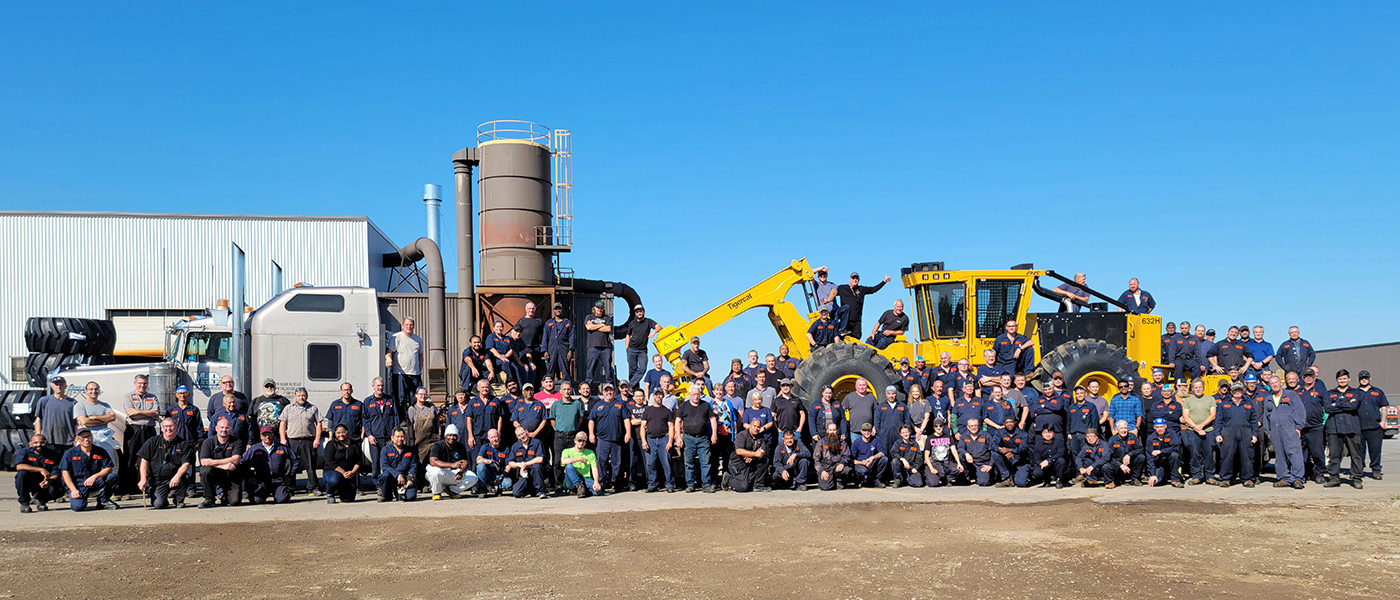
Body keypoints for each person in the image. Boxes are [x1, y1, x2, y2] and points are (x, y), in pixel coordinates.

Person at [135, 417, 194, 509]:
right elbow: (144, 461)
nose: (168, 429)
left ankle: (178, 500)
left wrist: (177, 477)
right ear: (162, 428)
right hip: (158, 480)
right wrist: (143, 479)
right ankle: (160, 497)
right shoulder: (152, 442)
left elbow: (186, 464)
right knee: (159, 505)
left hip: (175, 479)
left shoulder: (183, 444)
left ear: (176, 427)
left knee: (185, 476)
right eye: (166, 426)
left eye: (171, 426)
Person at [119, 374, 160, 496]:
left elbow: (156, 412)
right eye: (140, 383)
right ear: (135, 383)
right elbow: (131, 414)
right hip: (133, 430)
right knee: (129, 458)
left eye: (145, 383)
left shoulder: (152, 397)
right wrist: (149, 414)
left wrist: (139, 412)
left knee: (151, 458)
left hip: (149, 430)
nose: (143, 385)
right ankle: (126, 488)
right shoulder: (128, 396)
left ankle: (150, 487)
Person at [58, 428, 118, 511]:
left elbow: (109, 468)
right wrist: (73, 490)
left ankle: (103, 500)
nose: (86, 439)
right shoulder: (70, 453)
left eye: (88, 436)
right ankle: (81, 499)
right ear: (77, 439)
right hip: (78, 485)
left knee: (113, 476)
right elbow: (65, 473)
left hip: (94, 481)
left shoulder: (100, 451)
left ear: (92, 437)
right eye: (83, 437)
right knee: (78, 507)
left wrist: (95, 476)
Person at [1323, 370, 1364, 489]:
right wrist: (1346, 404)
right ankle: (1334, 478)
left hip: (1351, 427)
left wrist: (1336, 404)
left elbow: (1354, 406)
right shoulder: (1329, 393)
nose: (1342, 381)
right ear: (1337, 380)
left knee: (1355, 454)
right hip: (1334, 428)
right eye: (1340, 379)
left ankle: (1357, 478)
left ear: (1349, 379)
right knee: (1334, 455)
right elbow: (1327, 408)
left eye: (1344, 379)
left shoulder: (1356, 392)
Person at [588, 383, 631, 492]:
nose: (609, 393)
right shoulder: (598, 405)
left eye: (611, 390)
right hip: (602, 439)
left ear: (614, 392)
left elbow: (626, 419)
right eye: (606, 391)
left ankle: (616, 483)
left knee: (617, 462)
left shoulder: (620, 404)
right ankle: (602, 482)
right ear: (603, 393)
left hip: (617, 438)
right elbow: (591, 420)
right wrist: (591, 434)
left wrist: (628, 433)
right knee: (601, 461)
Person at [1266, 376, 1307, 489]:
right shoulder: (1268, 399)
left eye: (1276, 382)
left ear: (1281, 383)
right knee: (1280, 455)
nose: (1274, 384)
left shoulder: (1291, 395)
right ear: (1269, 386)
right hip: (1275, 430)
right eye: (1271, 383)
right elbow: (1266, 417)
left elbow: (1300, 411)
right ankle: (1283, 478)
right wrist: (1268, 432)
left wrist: (1298, 427)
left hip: (1290, 429)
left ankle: (1297, 478)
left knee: (1294, 454)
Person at [279, 387, 321, 496]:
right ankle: (290, 488)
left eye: (303, 395)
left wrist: (317, 438)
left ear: (306, 396)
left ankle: (313, 488)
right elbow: (282, 424)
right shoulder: (288, 408)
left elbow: (319, 424)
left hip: (308, 440)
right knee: (291, 465)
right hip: (293, 440)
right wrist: (283, 439)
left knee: (310, 465)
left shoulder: (313, 408)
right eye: (299, 395)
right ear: (295, 397)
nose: (301, 397)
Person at [675, 385, 717, 493]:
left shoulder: (706, 405)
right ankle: (690, 484)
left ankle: (706, 484)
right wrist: (678, 437)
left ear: (700, 394)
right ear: (689, 395)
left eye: (697, 394)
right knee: (689, 463)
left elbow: (712, 420)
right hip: (688, 438)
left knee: (706, 462)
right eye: (693, 394)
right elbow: (677, 421)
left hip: (703, 438)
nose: (695, 396)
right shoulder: (684, 406)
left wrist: (714, 434)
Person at [1215, 383, 1259, 488]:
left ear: (1243, 391)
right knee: (1227, 457)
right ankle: (1225, 479)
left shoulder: (1248, 403)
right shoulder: (1224, 403)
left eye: (1239, 390)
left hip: (1246, 433)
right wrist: (1218, 434)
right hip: (1228, 433)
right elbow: (1218, 420)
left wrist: (1255, 434)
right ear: (1231, 392)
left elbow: (1254, 420)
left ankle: (1248, 478)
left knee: (1247, 457)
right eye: (1235, 390)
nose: (1237, 392)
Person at [242, 425, 300, 504]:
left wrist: (290, 475)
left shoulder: (281, 448)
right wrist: (249, 477)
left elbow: (297, 459)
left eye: (269, 434)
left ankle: (283, 492)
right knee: (256, 500)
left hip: (278, 481)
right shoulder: (254, 449)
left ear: (273, 435)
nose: (267, 437)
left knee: (283, 499)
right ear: (261, 436)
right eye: (264, 435)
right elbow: (242, 462)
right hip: (261, 482)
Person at [198, 418, 246, 508]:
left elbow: (236, 459)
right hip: (214, 473)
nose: (224, 430)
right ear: (216, 428)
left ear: (230, 430)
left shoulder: (237, 442)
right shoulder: (208, 442)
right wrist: (224, 466)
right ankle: (209, 498)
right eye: (221, 427)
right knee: (205, 470)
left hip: (231, 474)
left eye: (227, 428)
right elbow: (204, 462)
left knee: (235, 502)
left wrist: (212, 462)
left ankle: (225, 496)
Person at [1179, 379, 1217, 485]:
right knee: (1194, 453)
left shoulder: (1211, 399)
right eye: (1196, 387)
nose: (1198, 389)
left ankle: (1210, 476)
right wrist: (1196, 427)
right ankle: (1196, 476)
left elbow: (1212, 415)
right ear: (1192, 389)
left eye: (1200, 387)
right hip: (1193, 431)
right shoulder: (1187, 400)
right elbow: (1186, 416)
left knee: (1209, 453)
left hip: (1208, 430)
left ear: (1203, 387)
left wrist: (1201, 426)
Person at [638, 388, 676, 493]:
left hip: (664, 439)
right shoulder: (648, 410)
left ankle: (669, 484)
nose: (658, 396)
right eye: (656, 395)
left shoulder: (667, 411)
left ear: (662, 396)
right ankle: (652, 484)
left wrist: (670, 441)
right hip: (650, 439)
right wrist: (644, 441)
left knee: (667, 463)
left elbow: (671, 427)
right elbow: (642, 426)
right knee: (650, 464)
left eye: (660, 395)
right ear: (653, 396)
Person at [423, 425, 475, 500]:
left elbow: (465, 462)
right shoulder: (437, 446)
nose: (451, 438)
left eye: (454, 435)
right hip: (440, 472)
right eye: (449, 435)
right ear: (445, 436)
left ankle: (452, 490)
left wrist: (461, 472)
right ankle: (437, 492)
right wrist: (451, 465)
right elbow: (433, 461)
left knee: (473, 477)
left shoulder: (460, 446)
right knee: (434, 472)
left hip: (453, 474)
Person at [14, 433, 62, 513]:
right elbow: (19, 466)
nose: (39, 445)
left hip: (44, 481)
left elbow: (56, 472)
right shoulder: (24, 452)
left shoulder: (53, 454)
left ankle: (40, 500)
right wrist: (40, 470)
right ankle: (25, 503)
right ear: (30, 444)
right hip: (29, 481)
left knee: (61, 485)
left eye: (42, 442)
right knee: (21, 475)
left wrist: (49, 481)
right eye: (35, 443)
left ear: (46, 443)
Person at [363, 377, 398, 487]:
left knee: (390, 461)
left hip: (388, 437)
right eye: (378, 385)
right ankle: (378, 485)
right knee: (376, 462)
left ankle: (390, 483)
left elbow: (396, 416)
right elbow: (365, 419)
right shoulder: (368, 401)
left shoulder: (390, 399)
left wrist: (395, 434)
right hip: (375, 437)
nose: (380, 387)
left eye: (382, 385)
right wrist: (369, 435)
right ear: (373, 386)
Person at [1295, 370, 1328, 483]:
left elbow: (1327, 407)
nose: (1308, 378)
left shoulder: (1321, 391)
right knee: (1302, 454)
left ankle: (1320, 474)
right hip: (1301, 427)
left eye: (1311, 376)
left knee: (1317, 452)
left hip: (1316, 427)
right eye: (1306, 376)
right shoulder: (1298, 391)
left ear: (1315, 378)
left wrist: (1323, 422)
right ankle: (1304, 474)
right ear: (1302, 378)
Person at [835, 272, 890, 338]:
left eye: (856, 278)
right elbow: (832, 293)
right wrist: (826, 301)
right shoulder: (842, 288)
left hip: (857, 320)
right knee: (844, 339)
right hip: (846, 320)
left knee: (857, 339)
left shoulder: (861, 289)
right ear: (850, 279)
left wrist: (884, 282)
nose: (855, 280)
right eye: (853, 278)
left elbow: (873, 289)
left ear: (859, 280)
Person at [72, 382, 117, 460]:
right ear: (86, 391)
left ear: (99, 391)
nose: (94, 391)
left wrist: (94, 417)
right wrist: (104, 420)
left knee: (107, 462)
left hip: (103, 440)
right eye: (91, 389)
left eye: (96, 389)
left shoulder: (105, 405)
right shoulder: (80, 406)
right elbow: (84, 422)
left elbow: (112, 417)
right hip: (86, 440)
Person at [1356, 371, 1387, 480]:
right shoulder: (1355, 392)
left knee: (1375, 450)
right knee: (1359, 451)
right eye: (1361, 378)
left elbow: (1383, 407)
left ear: (1370, 378)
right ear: (1358, 379)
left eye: (1366, 378)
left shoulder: (1378, 392)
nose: (1364, 380)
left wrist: (1383, 421)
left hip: (1375, 427)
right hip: (1359, 426)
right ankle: (1359, 470)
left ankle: (1376, 470)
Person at [620, 304, 661, 387]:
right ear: (635, 313)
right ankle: (634, 390)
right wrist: (627, 348)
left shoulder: (648, 321)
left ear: (644, 312)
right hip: (631, 349)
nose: (639, 313)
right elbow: (628, 335)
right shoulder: (632, 323)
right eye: (637, 311)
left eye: (640, 311)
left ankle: (629, 386)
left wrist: (653, 332)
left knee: (642, 368)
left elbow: (659, 327)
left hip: (642, 351)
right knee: (632, 370)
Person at [386, 317, 424, 405]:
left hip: (415, 374)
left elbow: (420, 355)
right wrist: (388, 358)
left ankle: (412, 418)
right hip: (400, 374)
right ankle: (401, 418)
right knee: (400, 399)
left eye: (411, 325)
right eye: (407, 324)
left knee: (414, 400)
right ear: (403, 326)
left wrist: (420, 369)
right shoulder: (396, 337)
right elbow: (389, 351)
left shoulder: (418, 339)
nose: (409, 327)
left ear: (413, 326)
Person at [34, 376, 77, 453]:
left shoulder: (72, 402)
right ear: (52, 386)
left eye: (61, 384)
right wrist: (38, 437)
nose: (58, 387)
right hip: (49, 441)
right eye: (56, 384)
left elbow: (76, 423)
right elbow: (38, 420)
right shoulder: (44, 401)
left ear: (65, 386)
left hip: (68, 442)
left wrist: (76, 438)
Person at [319, 424, 360, 504]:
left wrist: (352, 472)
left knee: (348, 499)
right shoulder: (331, 444)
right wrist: (343, 472)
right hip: (333, 472)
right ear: (335, 433)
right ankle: (330, 494)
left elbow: (359, 461)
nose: (341, 435)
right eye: (338, 433)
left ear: (347, 433)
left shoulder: (354, 444)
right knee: (334, 480)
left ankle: (342, 490)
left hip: (349, 474)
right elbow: (329, 461)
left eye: (343, 432)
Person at [504, 425, 547, 498]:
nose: (522, 436)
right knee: (516, 493)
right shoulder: (515, 446)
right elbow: (510, 463)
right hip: (524, 474)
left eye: (523, 433)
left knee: (537, 466)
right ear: (517, 437)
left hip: (535, 472)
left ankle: (541, 491)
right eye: (519, 435)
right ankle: (531, 490)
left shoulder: (537, 443)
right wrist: (519, 465)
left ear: (527, 432)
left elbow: (540, 459)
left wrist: (525, 464)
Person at [730, 418, 769, 493]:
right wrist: (754, 454)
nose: (756, 428)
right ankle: (727, 478)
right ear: (750, 426)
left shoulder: (761, 436)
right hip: (738, 463)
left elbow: (762, 450)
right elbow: (739, 451)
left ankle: (758, 486)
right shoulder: (742, 435)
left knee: (765, 460)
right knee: (743, 487)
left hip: (752, 462)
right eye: (754, 426)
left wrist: (753, 457)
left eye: (758, 427)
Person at [560, 431, 603, 497]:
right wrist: (578, 458)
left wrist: (596, 482)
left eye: (583, 441)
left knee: (597, 492)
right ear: (575, 441)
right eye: (579, 441)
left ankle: (581, 490)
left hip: (585, 478)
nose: (581, 443)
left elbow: (594, 468)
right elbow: (563, 462)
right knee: (569, 466)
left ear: (586, 442)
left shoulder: (590, 453)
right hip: (572, 480)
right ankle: (578, 486)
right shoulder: (567, 451)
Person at [1104, 420, 1144, 489]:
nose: (1123, 430)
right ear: (1116, 430)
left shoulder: (1133, 437)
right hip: (1118, 465)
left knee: (1141, 457)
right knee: (1106, 466)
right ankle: (1115, 480)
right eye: (1121, 428)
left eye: (1125, 428)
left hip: (1130, 463)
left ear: (1128, 429)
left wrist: (1129, 455)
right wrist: (1120, 465)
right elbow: (1109, 456)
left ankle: (1135, 479)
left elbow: (1140, 449)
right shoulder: (1112, 440)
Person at [923, 418, 963, 487]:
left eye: (940, 426)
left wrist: (959, 463)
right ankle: (933, 476)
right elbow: (926, 455)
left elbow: (954, 450)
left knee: (959, 470)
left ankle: (945, 478)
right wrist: (931, 468)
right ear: (934, 427)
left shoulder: (948, 437)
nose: (938, 428)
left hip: (947, 463)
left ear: (943, 427)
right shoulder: (930, 438)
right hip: (935, 464)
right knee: (933, 484)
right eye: (936, 426)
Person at [991, 417, 1029, 487]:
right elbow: (993, 445)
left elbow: (1024, 448)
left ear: (1015, 422)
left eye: (1011, 422)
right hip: (1006, 458)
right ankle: (1007, 477)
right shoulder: (1000, 432)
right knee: (994, 454)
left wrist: (1010, 450)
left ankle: (1017, 477)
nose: (1009, 424)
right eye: (1007, 422)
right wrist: (1003, 451)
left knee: (1021, 483)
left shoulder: (1022, 433)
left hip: (1020, 460)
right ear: (1004, 424)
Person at [1143, 418, 1182, 487]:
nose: (1160, 429)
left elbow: (1175, 447)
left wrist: (1160, 451)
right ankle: (1164, 477)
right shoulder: (1151, 438)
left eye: (1161, 427)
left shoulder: (1172, 434)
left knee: (1174, 455)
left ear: (1165, 426)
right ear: (1154, 427)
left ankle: (1176, 479)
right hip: (1159, 463)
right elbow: (1149, 458)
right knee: (1155, 483)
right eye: (1157, 427)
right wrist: (1152, 475)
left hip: (1170, 460)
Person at [467, 379, 502, 455]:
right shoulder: (473, 402)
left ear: (489, 388)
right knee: (477, 459)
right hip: (478, 436)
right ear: (478, 388)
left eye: (486, 387)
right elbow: (469, 420)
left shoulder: (495, 401)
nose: (484, 389)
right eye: (482, 387)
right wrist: (470, 436)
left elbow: (499, 418)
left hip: (492, 437)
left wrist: (498, 433)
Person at [1065, 386, 1099, 464]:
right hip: (1074, 436)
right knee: (1075, 455)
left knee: (1087, 455)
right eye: (1077, 394)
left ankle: (1087, 473)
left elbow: (1094, 422)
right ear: (1075, 395)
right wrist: (1068, 433)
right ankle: (1079, 473)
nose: (1079, 395)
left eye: (1081, 393)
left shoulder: (1091, 406)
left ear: (1085, 394)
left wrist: (1093, 435)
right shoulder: (1071, 408)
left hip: (1086, 436)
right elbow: (1068, 422)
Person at [583, 301, 614, 386]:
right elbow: (589, 327)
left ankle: (609, 385)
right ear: (594, 308)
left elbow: (608, 329)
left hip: (606, 347)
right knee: (591, 368)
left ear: (603, 309)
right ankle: (588, 385)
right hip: (593, 346)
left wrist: (595, 326)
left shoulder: (607, 318)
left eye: (601, 308)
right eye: (598, 308)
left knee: (607, 368)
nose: (599, 309)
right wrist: (601, 325)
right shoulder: (589, 317)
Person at [956, 417, 994, 486]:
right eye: (971, 426)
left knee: (983, 483)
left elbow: (993, 451)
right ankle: (966, 476)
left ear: (978, 426)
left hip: (982, 463)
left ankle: (981, 475)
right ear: (968, 427)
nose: (973, 428)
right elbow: (960, 448)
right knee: (960, 455)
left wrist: (990, 465)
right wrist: (966, 453)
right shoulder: (964, 436)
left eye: (975, 425)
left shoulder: (986, 436)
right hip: (970, 463)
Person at [814, 422, 851, 490]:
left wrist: (842, 463)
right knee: (825, 487)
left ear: (837, 431)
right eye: (830, 430)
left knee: (846, 469)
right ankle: (830, 481)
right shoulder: (821, 442)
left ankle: (839, 481)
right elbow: (816, 459)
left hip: (838, 467)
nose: (832, 432)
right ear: (827, 431)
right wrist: (822, 471)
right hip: (826, 468)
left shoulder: (842, 442)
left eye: (834, 430)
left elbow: (847, 455)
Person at [542, 302, 574, 382]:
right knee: (550, 368)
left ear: (562, 310)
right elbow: (545, 338)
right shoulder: (548, 323)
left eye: (559, 308)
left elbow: (571, 337)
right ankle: (549, 386)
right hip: (551, 348)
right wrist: (545, 350)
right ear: (553, 310)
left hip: (564, 348)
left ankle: (567, 385)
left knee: (565, 368)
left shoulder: (568, 323)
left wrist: (570, 350)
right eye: (556, 309)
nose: (558, 310)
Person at [474, 429, 511, 498]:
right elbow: (478, 460)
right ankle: (483, 488)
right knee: (480, 466)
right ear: (488, 438)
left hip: (498, 475)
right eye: (492, 437)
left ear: (499, 436)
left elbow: (509, 465)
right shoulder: (485, 447)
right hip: (488, 475)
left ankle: (496, 487)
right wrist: (491, 462)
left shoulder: (506, 449)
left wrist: (502, 476)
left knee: (508, 483)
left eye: (496, 437)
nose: (494, 439)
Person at [850, 423, 888, 488]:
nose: (867, 432)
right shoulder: (856, 442)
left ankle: (877, 480)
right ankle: (860, 480)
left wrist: (873, 457)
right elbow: (851, 460)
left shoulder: (876, 439)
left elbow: (882, 453)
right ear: (861, 431)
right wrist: (862, 462)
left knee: (884, 459)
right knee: (862, 471)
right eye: (865, 431)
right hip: (861, 464)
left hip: (871, 463)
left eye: (869, 430)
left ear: (871, 431)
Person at [874, 385, 908, 455]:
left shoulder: (902, 406)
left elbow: (907, 420)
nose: (891, 396)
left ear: (896, 394)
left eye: (893, 393)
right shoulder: (880, 407)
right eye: (889, 394)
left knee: (899, 455)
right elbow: (877, 421)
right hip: (884, 437)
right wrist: (880, 433)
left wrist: (905, 433)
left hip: (899, 436)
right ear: (886, 395)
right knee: (885, 455)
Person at [844, 378, 878, 444]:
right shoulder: (849, 397)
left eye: (864, 385)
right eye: (860, 385)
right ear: (856, 386)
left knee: (868, 451)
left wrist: (874, 427)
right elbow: (842, 411)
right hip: (855, 431)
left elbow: (875, 413)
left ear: (867, 386)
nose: (862, 387)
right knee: (856, 451)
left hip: (868, 431)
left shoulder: (871, 397)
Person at [484, 320, 517, 385]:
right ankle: (510, 382)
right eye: (497, 327)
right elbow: (491, 349)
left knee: (516, 368)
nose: (499, 328)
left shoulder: (506, 338)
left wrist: (505, 356)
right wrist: (500, 357)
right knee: (505, 364)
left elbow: (511, 349)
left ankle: (520, 387)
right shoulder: (491, 337)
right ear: (493, 328)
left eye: (501, 327)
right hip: (496, 360)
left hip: (506, 358)